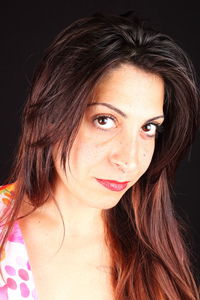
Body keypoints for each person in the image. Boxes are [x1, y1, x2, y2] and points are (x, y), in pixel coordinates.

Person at [0, 11, 199, 300]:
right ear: (51, 116)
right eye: (104, 120)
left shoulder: (155, 250)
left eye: (148, 127)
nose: (129, 160)